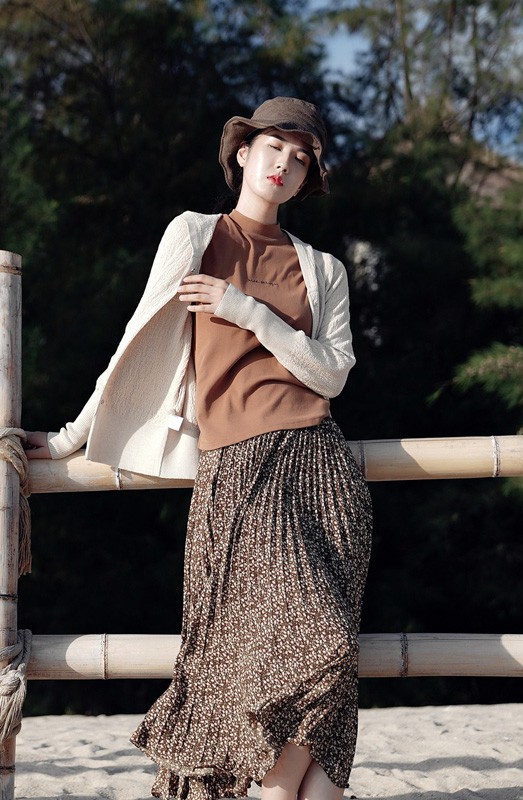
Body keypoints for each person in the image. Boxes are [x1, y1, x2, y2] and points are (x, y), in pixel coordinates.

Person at [26, 96, 372, 800]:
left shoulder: (323, 269)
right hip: (238, 470)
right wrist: (68, 438)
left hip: (321, 466)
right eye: (274, 148)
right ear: (243, 152)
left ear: (307, 177)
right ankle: (282, 791)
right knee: (315, 645)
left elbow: (332, 374)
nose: (284, 165)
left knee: (330, 654)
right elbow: (136, 340)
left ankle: (284, 792)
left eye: (300, 158)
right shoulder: (193, 234)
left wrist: (247, 311)